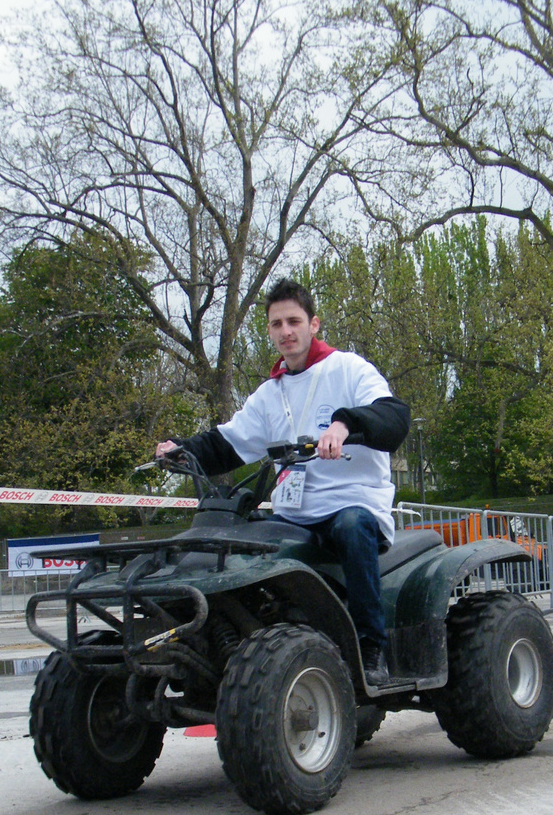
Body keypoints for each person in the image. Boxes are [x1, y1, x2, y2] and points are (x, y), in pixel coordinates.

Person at [157, 279, 411, 688]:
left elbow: (394, 416)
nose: (285, 331)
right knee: (238, 539)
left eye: (294, 321)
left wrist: (345, 424)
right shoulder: (269, 394)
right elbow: (228, 442)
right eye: (276, 324)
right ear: (270, 330)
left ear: (314, 324)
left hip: (350, 503)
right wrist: (182, 450)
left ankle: (370, 646)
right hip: (293, 513)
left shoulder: (348, 369)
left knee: (351, 527)